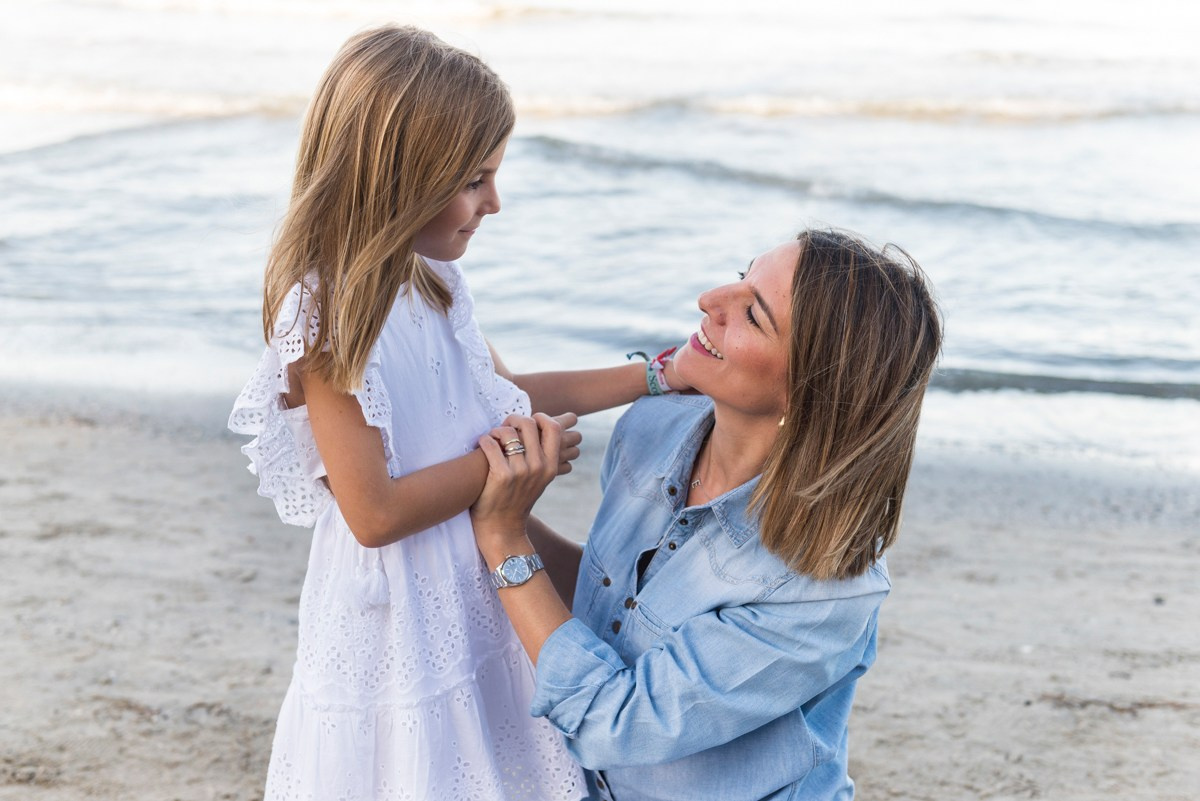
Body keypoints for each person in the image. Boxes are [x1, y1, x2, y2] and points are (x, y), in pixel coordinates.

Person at [228, 25, 685, 801]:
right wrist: (505, 465)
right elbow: (372, 512)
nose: (493, 203)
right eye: (475, 180)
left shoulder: (433, 282)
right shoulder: (326, 313)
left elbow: (509, 394)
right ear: (400, 176)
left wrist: (656, 375)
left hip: (467, 587)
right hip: (397, 620)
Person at [469, 229, 943, 801]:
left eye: (752, 314)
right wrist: (501, 509)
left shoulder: (824, 589)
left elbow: (613, 724)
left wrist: (505, 539)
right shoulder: (652, 426)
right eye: (742, 276)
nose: (710, 300)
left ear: (809, 389)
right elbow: (612, 602)